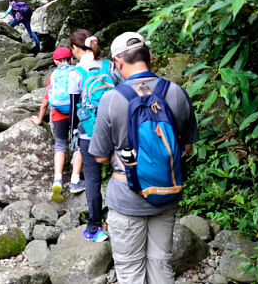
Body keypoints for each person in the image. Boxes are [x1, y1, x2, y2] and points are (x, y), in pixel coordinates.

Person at [90, 32, 199, 284]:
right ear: (149, 56)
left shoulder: (111, 99)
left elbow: (100, 158)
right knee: (161, 265)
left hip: (126, 197)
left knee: (130, 271)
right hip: (166, 194)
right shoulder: (177, 92)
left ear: (118, 62)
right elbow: (187, 147)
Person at [68, 29, 113, 242]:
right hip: (115, 130)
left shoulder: (76, 73)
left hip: (89, 133)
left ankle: (95, 228)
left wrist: (74, 135)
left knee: (93, 179)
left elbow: (73, 109)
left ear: (75, 48)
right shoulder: (109, 67)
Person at [31, 46, 85, 202]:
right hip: (76, 112)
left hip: (58, 114)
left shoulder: (54, 75)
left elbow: (45, 101)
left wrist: (39, 119)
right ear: (71, 59)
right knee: (79, 143)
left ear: (55, 61)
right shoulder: (77, 72)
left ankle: (57, 179)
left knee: (60, 145)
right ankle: (75, 179)